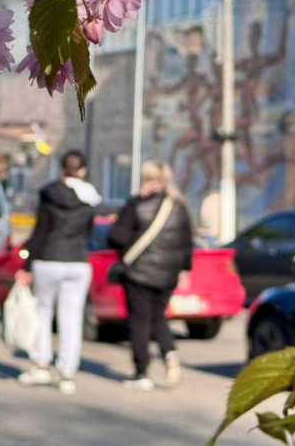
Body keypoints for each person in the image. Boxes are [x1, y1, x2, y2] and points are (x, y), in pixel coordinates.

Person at [15, 150, 102, 396]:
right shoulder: (90, 196)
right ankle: (67, 375)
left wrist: (26, 266)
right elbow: (88, 232)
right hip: (77, 261)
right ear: (83, 170)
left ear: (62, 168)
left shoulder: (49, 193)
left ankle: (41, 365)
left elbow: (41, 231)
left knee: (43, 313)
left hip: (48, 259)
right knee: (71, 318)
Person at [108, 162, 194, 392]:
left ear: (145, 178)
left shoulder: (137, 205)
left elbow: (116, 237)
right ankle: (170, 354)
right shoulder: (179, 206)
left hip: (139, 273)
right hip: (168, 274)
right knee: (158, 317)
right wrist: (184, 269)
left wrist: (132, 203)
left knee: (140, 321)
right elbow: (187, 243)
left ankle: (141, 372)